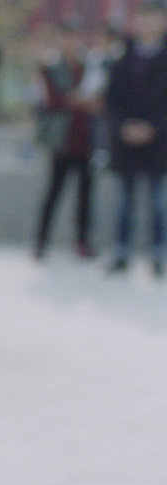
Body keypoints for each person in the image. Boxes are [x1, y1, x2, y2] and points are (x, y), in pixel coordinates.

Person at [105, 0, 167, 277]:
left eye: (154, 17)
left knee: (159, 202)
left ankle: (158, 253)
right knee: (124, 201)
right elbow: (111, 99)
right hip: (126, 141)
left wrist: (153, 127)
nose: (147, 23)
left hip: (159, 142)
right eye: (143, 17)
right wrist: (124, 126)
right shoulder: (122, 57)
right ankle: (121, 251)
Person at [31, 19, 101, 261]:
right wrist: (75, 101)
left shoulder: (90, 67)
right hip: (62, 140)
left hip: (86, 140)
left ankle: (82, 242)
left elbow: (98, 100)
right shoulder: (51, 66)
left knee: (85, 195)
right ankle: (41, 241)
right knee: (54, 192)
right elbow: (50, 101)